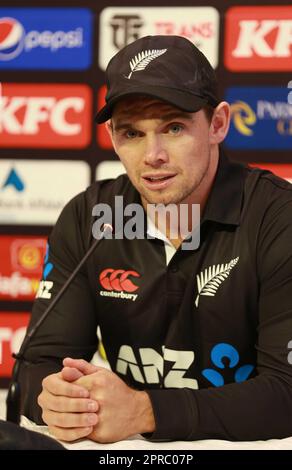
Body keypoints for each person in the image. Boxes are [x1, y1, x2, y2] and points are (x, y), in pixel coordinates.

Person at [18, 35, 292, 443]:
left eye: (174, 127)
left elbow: (286, 392)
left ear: (217, 123)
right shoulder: (89, 217)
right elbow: (36, 367)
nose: (153, 155)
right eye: (132, 134)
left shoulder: (277, 217)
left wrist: (144, 411)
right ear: (112, 136)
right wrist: (58, 399)